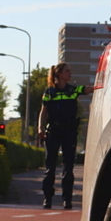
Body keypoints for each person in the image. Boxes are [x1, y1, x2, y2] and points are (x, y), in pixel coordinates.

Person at [38, 62, 86, 210]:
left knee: (68, 167)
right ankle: (48, 199)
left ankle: (67, 200)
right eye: (67, 71)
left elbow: (88, 89)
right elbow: (43, 111)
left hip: (69, 132)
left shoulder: (73, 90)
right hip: (53, 131)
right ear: (59, 74)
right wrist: (40, 128)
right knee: (50, 168)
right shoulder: (49, 92)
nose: (70, 74)